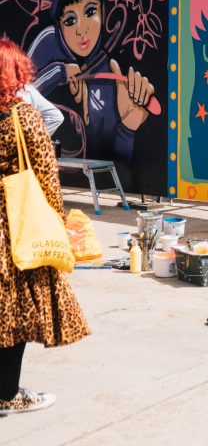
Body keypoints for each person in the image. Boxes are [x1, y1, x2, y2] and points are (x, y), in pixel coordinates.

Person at [0, 38, 90, 416]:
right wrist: (59, 222)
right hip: (15, 229)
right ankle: (7, 394)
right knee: (16, 315)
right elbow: (47, 177)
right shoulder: (23, 117)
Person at [28, 0, 155, 162]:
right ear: (59, 24)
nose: (82, 29)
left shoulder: (108, 74)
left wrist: (128, 125)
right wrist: (60, 72)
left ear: (103, 11)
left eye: (90, 11)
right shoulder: (49, 43)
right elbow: (21, 91)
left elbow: (117, 164)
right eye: (70, 20)